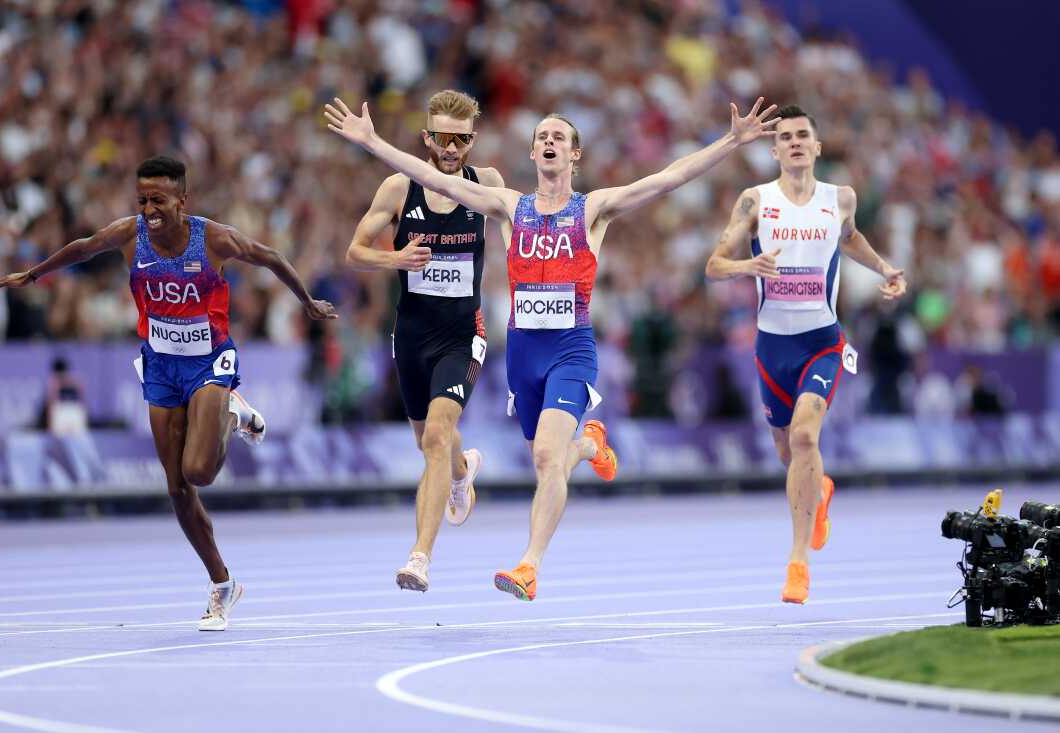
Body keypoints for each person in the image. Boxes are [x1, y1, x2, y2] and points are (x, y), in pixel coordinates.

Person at [325, 96, 779, 601]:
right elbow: (434, 180)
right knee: (554, 454)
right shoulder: (508, 207)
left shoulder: (594, 210)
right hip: (523, 354)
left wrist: (730, 142)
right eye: (541, 135)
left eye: (558, 137)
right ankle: (589, 445)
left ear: (574, 155)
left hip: (570, 349)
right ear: (533, 150)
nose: (548, 141)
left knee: (545, 456)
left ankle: (529, 565)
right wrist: (372, 142)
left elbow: (667, 178)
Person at [0, 156, 337, 629]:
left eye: (158, 200)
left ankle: (233, 414)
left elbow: (270, 257)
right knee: (177, 488)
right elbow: (85, 247)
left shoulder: (212, 238)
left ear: (182, 200)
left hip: (209, 361)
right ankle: (223, 585)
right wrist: (33, 275)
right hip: (159, 364)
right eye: (142, 200)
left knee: (201, 470)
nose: (149, 209)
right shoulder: (130, 235)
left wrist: (308, 303)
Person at [705, 105, 907, 604]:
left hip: (822, 341)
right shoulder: (754, 201)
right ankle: (820, 491)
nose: (795, 142)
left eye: (803, 136)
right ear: (774, 150)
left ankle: (798, 563)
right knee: (787, 452)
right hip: (772, 347)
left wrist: (884, 268)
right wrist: (748, 264)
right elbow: (713, 265)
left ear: (817, 147)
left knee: (802, 438)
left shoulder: (840, 198)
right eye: (786, 136)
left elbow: (851, 237)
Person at [344, 90, 502, 592]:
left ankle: (420, 557)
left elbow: (527, 225)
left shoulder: (488, 184)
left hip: (463, 334)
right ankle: (462, 470)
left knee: (436, 436)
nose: (450, 148)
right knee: (427, 441)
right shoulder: (398, 188)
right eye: (441, 138)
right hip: (412, 335)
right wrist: (397, 260)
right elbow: (355, 252)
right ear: (426, 138)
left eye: (460, 140)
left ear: (471, 141)